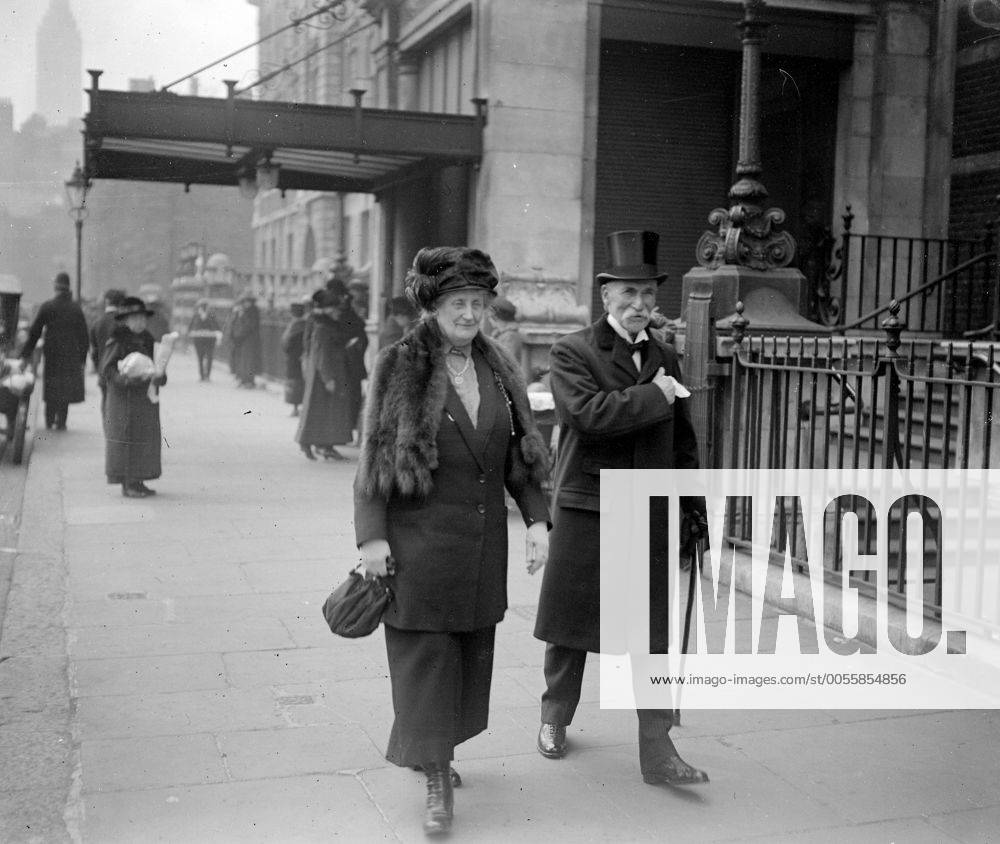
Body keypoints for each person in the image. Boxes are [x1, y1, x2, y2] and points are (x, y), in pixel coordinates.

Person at [354, 246, 551, 837]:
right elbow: (374, 457)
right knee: (429, 659)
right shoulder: (402, 364)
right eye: (457, 303)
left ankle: (429, 748)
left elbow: (518, 458)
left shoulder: (497, 368)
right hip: (419, 543)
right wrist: (371, 538)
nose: (469, 314)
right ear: (434, 307)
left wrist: (538, 521)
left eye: (478, 304)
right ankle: (437, 777)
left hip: (480, 545)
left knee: (463, 657)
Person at [532, 230, 708, 787]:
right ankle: (554, 719)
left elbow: (684, 442)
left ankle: (658, 753)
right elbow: (588, 416)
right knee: (571, 627)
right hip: (589, 508)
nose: (639, 306)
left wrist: (693, 512)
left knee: (651, 634)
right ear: (606, 297)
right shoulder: (572, 351)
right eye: (628, 294)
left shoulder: (665, 355)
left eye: (648, 297)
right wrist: (655, 395)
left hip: (648, 512)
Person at [99, 296, 166, 498]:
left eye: (143, 319)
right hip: (124, 400)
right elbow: (108, 370)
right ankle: (128, 483)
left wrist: (161, 376)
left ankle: (139, 479)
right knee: (127, 439)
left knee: (144, 439)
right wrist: (127, 381)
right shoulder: (117, 340)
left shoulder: (147, 339)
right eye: (135, 319)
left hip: (144, 398)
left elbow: (157, 365)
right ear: (125, 321)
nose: (140, 323)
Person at [20, 272, 89, 431]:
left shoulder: (48, 306)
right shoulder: (75, 308)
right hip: (70, 354)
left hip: (52, 354)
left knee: (51, 387)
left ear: (55, 287)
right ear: (68, 287)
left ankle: (49, 421)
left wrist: (25, 354)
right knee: (65, 387)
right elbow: (84, 336)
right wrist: (83, 359)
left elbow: (34, 332)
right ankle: (62, 422)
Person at [295, 288, 356, 461]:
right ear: (328, 310)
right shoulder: (323, 327)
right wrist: (328, 378)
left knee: (323, 412)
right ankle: (314, 444)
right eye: (335, 310)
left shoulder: (324, 325)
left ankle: (321, 444)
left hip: (325, 375)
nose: (338, 313)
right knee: (322, 412)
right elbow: (322, 354)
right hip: (326, 376)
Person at [325, 277, 368, 445]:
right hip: (347, 361)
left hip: (348, 361)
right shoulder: (345, 311)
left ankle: (345, 430)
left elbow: (357, 336)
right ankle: (344, 430)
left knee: (349, 396)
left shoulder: (344, 312)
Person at [89, 288, 126, 414]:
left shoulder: (97, 323)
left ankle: (108, 428)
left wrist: (98, 366)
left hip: (103, 370)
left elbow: (93, 351)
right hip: (121, 372)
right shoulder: (124, 322)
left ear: (107, 302)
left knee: (105, 401)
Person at [488, 295, 527, 380]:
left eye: (490, 317)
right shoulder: (501, 334)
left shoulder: (510, 337)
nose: (489, 321)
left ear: (496, 318)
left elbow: (506, 365)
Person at [280, 299, 308, 416]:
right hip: (299, 357)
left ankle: (296, 407)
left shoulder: (294, 325)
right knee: (300, 382)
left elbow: (286, 342)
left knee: (295, 383)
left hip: (294, 358)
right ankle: (299, 407)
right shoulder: (303, 324)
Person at [227, 294, 262, 388]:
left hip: (250, 339)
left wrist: (240, 335)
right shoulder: (244, 311)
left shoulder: (253, 311)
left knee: (249, 361)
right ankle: (244, 379)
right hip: (243, 340)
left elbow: (249, 326)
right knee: (243, 361)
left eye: (247, 302)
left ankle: (249, 381)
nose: (245, 304)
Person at [187, 299, 223, 382]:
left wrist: (217, 334)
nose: (204, 308)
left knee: (209, 357)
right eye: (202, 307)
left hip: (210, 340)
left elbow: (217, 326)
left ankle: (208, 376)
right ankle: (202, 376)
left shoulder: (211, 315)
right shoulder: (196, 316)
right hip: (198, 340)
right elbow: (191, 327)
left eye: (205, 307)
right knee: (200, 358)